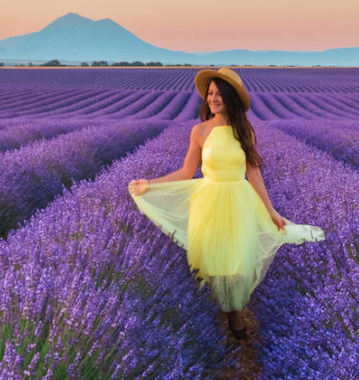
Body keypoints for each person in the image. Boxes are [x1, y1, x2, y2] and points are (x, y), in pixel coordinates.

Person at [128, 67, 324, 338]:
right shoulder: (199, 131)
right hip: (209, 203)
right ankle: (228, 319)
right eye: (210, 94)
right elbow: (186, 172)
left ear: (230, 98)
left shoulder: (244, 131)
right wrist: (150, 184)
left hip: (240, 203)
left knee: (239, 268)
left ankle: (234, 311)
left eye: (219, 94)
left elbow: (253, 172)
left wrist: (270, 212)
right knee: (215, 267)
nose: (213, 99)